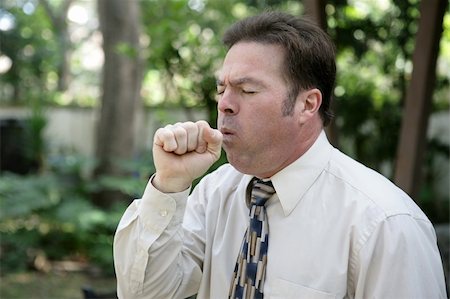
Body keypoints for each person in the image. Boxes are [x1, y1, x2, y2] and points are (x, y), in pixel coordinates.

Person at [113, 11, 447, 299]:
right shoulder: (215, 193)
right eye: (222, 88)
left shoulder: (385, 224)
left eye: (248, 90)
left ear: (307, 104)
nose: (224, 103)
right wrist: (170, 184)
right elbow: (145, 293)